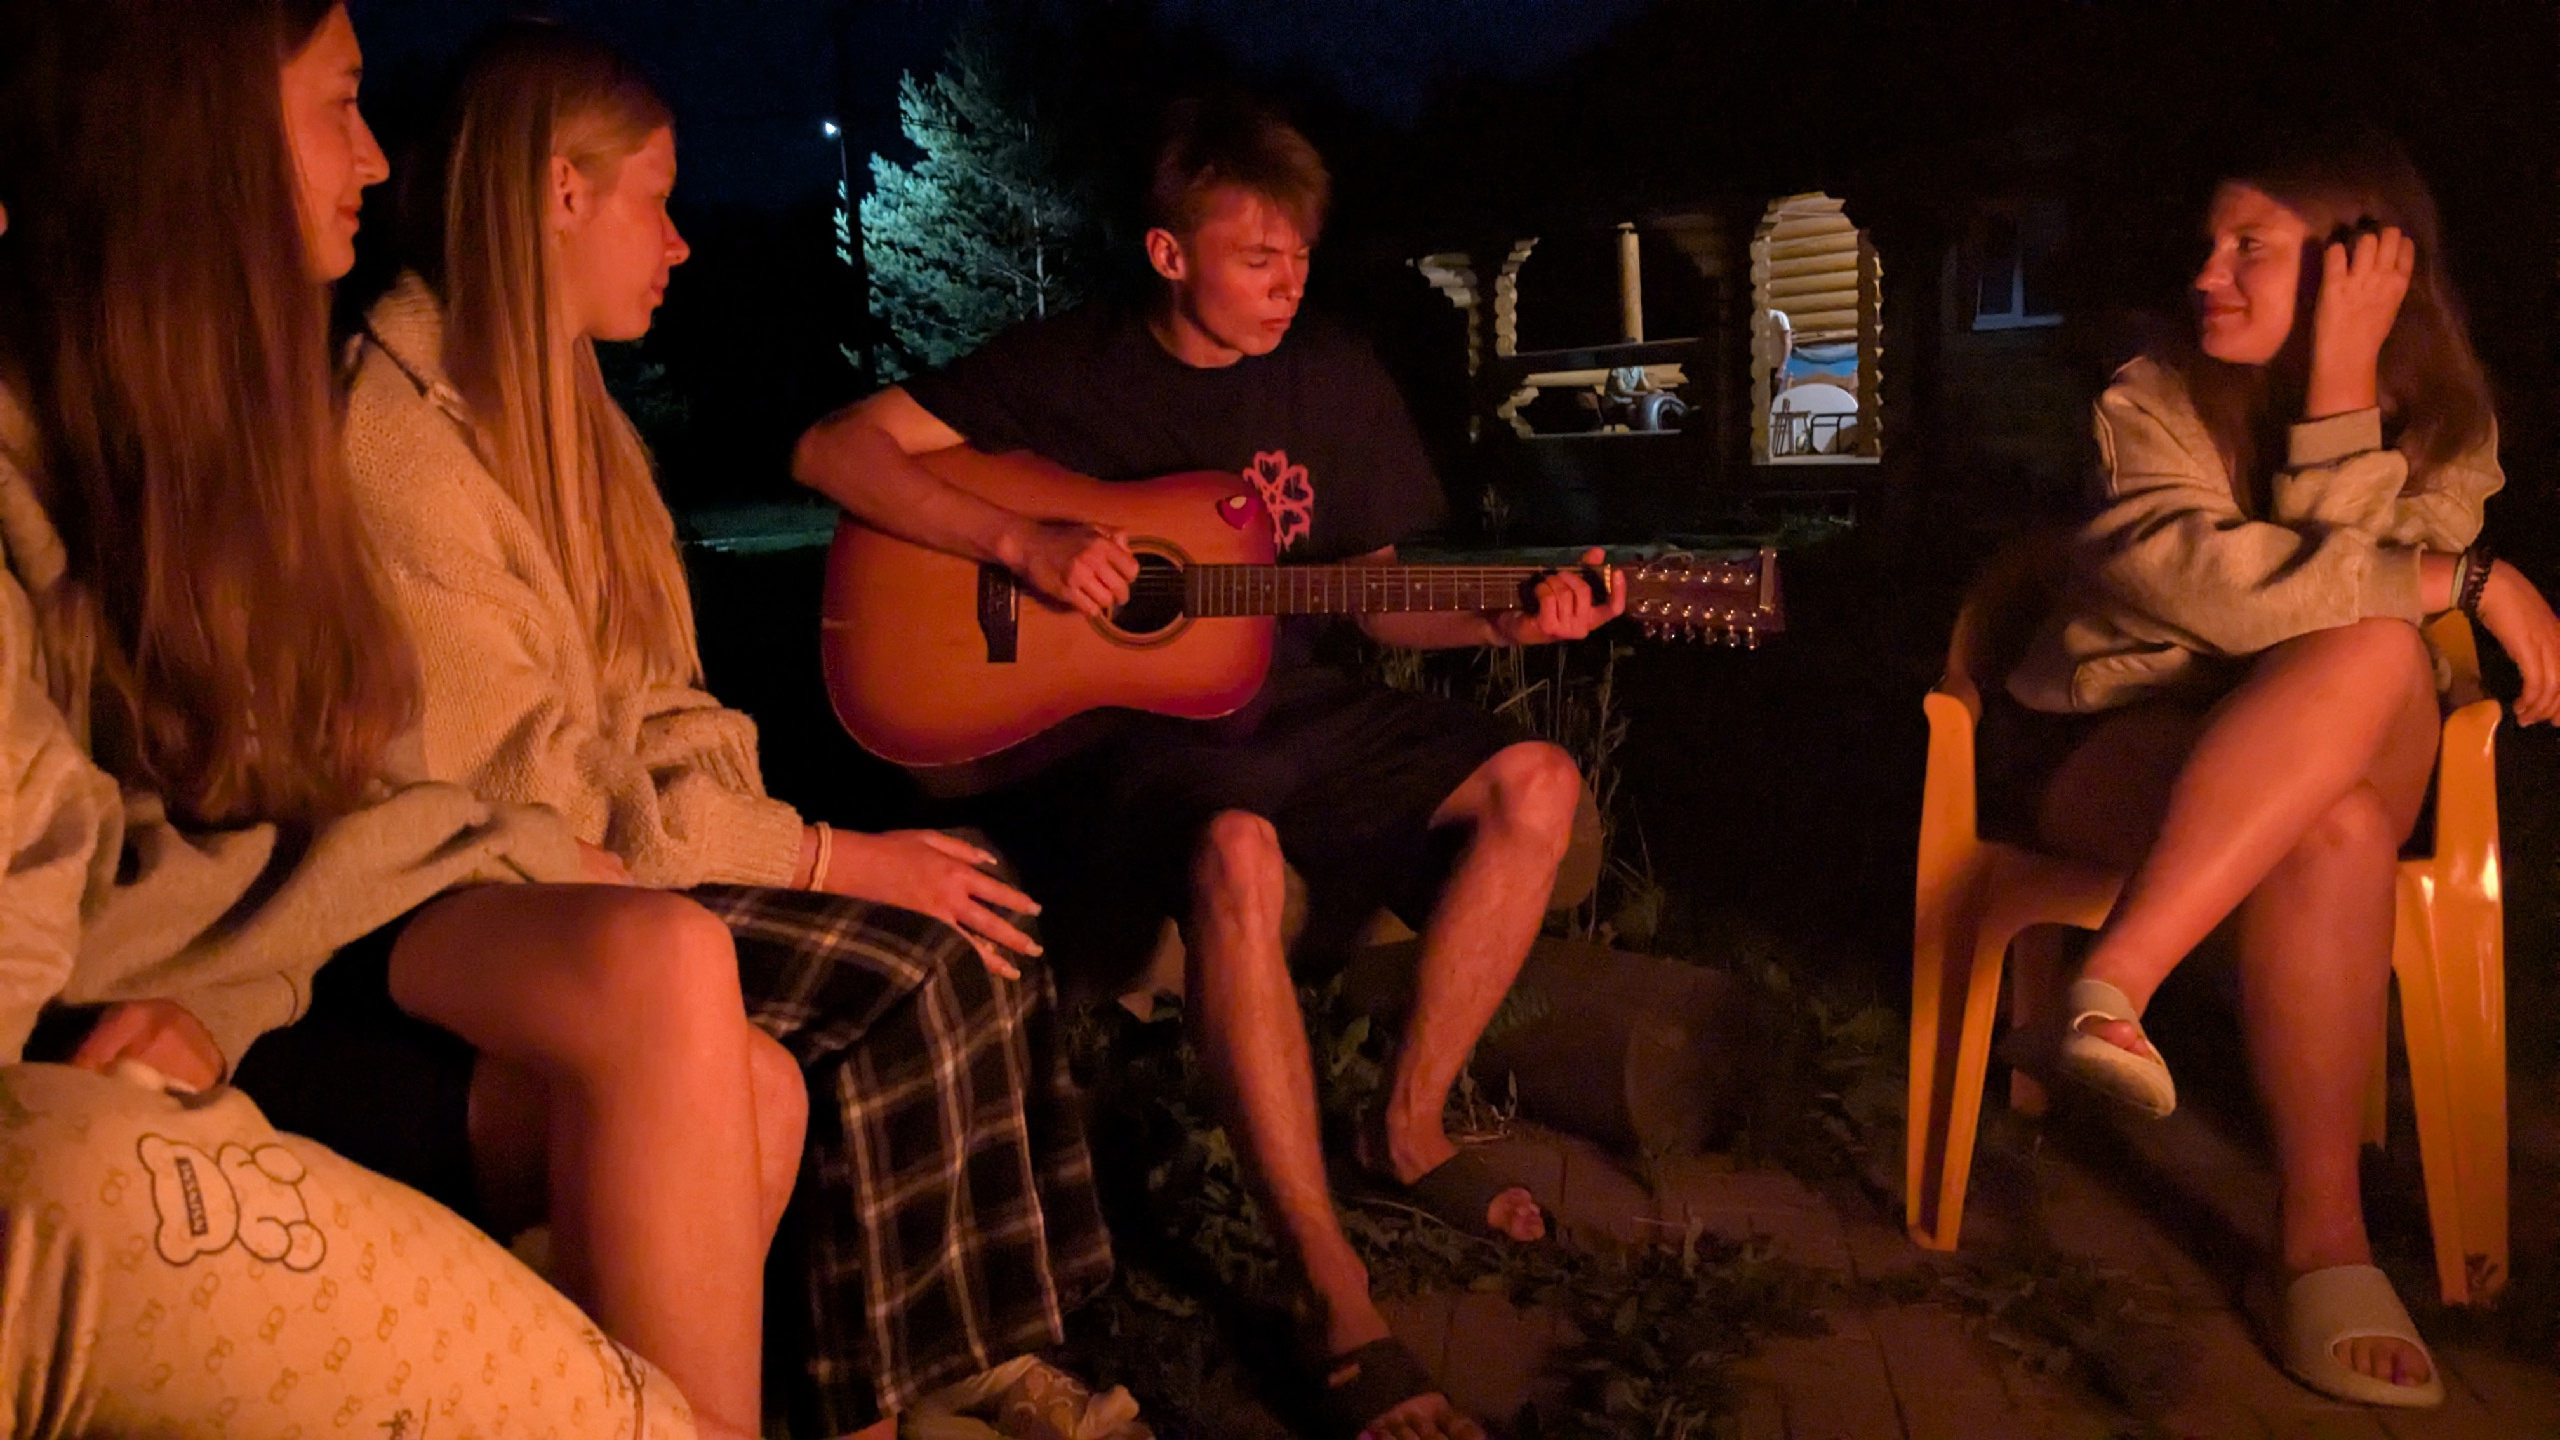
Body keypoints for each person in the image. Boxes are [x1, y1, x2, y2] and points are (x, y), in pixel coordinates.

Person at [0, 3, 804, 1435]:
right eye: (339, 106)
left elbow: (366, 773)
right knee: (722, 1019)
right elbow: (78, 883)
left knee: (719, 1027)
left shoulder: (254, 432)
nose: (377, 159)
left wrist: (530, 850)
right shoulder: (109, 452)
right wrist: (801, 854)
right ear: (198, 137)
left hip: (302, 931)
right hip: (207, 974)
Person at [794, 95, 1621, 1440]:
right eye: (1257, 257)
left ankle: (1406, 1130)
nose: (1289, 283)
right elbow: (831, 449)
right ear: (1170, 256)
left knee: (1538, 784)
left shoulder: (1329, 376)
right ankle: (1332, 1292)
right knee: (1235, 852)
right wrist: (1024, 544)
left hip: (1293, 711)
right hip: (1129, 738)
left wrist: (1504, 620)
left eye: (1300, 255)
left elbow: (1375, 603)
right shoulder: (1073, 367)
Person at [334, 22, 1113, 1437]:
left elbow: (663, 697)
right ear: (561, 192)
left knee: (980, 923)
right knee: (913, 965)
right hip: (488, 897)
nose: (682, 243)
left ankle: (972, 1345)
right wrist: (822, 857)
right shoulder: (397, 447)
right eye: (658, 199)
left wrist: (767, 835)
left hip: (619, 848)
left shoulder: (572, 422)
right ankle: (870, 1389)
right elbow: (529, 794)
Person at [1998, 127, 2560, 1408]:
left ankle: (2113, 981)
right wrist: (2463, 578)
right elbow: (2207, 587)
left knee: (2367, 647)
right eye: (2209, 243)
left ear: (2364, 267)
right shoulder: (2149, 398)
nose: (2208, 273)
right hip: (2131, 744)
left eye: (2248, 246)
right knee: (2336, 821)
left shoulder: (2450, 426)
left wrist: (2341, 386)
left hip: (2359, 731)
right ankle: (2321, 1248)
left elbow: (2333, 608)